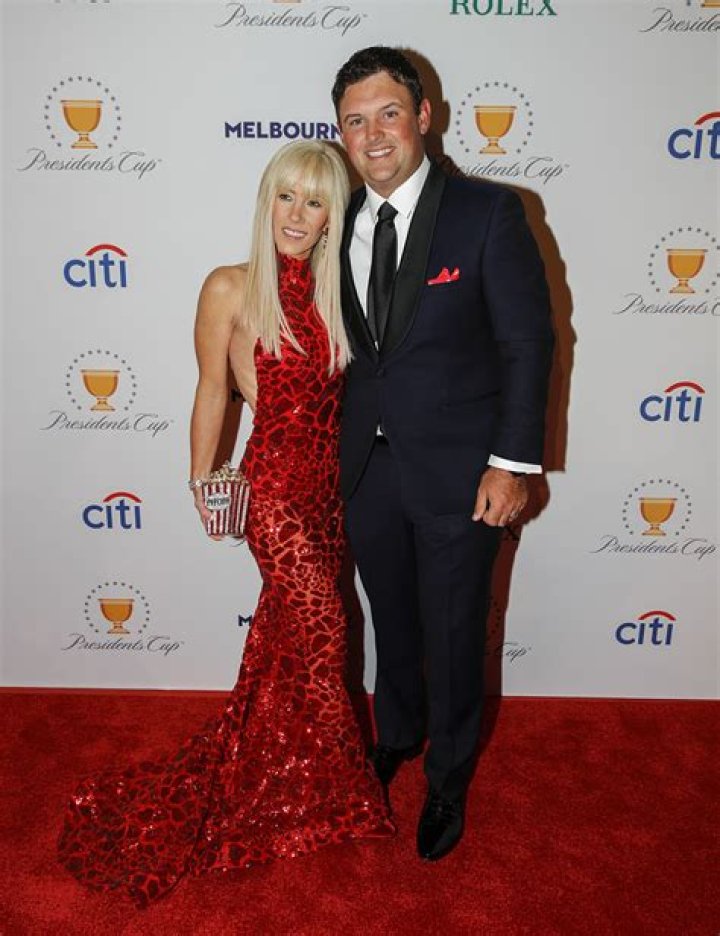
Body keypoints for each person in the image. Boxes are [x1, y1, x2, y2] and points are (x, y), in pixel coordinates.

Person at [58, 140, 394, 908]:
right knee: (326, 633)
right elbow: (213, 390)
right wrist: (202, 480)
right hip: (272, 493)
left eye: (315, 201)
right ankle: (339, 795)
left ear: (334, 215)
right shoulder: (231, 287)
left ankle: (277, 769)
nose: (297, 215)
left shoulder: (344, 294)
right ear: (266, 201)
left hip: (330, 495)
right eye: (286, 197)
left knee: (287, 645)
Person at [331, 47, 555, 862]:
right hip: (367, 468)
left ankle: (449, 780)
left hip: (464, 472)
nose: (373, 134)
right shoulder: (334, 217)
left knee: (456, 634)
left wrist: (513, 463)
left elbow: (529, 344)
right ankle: (398, 732)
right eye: (355, 121)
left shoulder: (488, 212)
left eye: (389, 113)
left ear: (424, 116)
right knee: (391, 618)